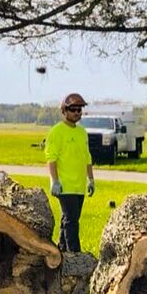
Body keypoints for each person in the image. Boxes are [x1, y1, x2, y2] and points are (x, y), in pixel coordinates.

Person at [45, 92, 95, 253]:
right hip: (64, 185)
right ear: (64, 111)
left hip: (79, 186)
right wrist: (54, 180)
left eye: (79, 109)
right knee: (71, 222)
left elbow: (87, 157)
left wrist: (91, 179)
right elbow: (51, 158)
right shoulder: (57, 131)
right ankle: (75, 254)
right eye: (73, 109)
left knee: (68, 220)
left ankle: (62, 251)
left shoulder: (82, 132)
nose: (77, 113)